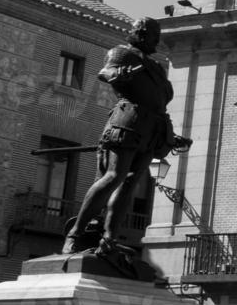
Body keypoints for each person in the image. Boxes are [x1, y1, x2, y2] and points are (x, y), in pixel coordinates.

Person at [63, 18, 191, 256]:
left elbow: (157, 104)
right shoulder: (123, 53)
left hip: (151, 130)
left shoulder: (155, 68)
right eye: (155, 35)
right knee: (114, 176)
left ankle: (109, 238)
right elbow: (106, 71)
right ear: (142, 34)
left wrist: (171, 136)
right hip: (127, 121)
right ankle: (75, 234)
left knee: (130, 184)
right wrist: (118, 74)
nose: (157, 40)